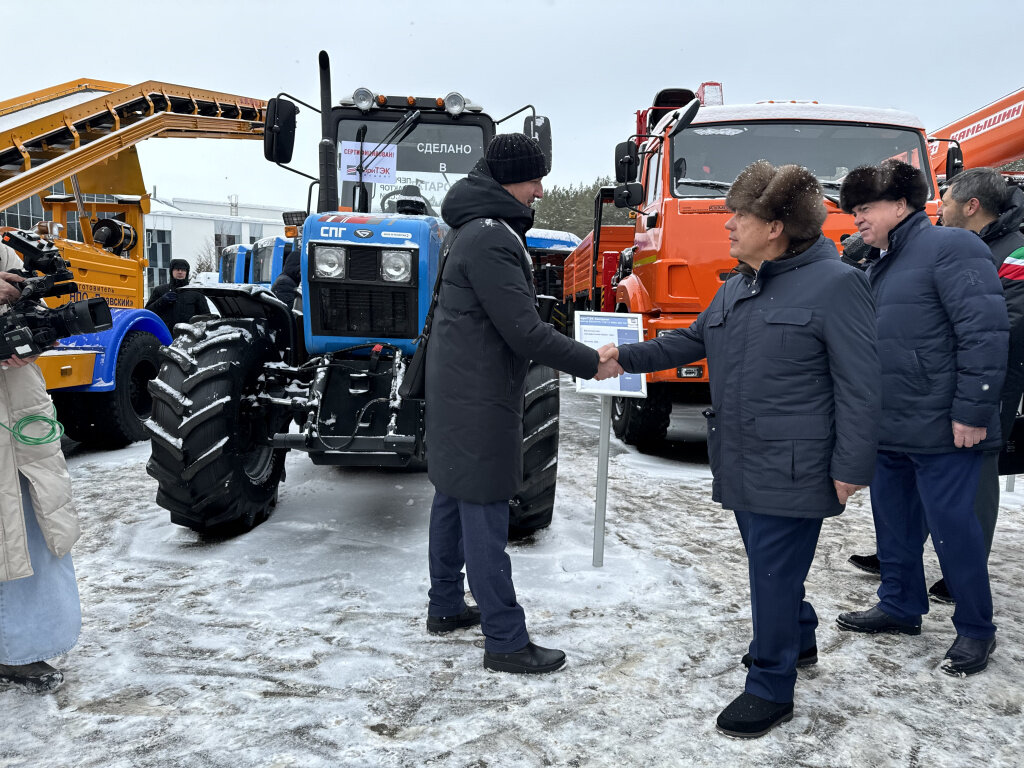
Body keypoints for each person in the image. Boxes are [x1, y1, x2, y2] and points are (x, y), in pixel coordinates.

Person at [600, 161, 880, 738]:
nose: (728, 225)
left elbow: (861, 384)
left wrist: (852, 466)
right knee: (771, 567)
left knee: (771, 576)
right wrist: (620, 356)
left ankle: (770, 686)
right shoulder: (738, 286)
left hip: (797, 464)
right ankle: (798, 634)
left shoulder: (836, 285)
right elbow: (688, 340)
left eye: (740, 215)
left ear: (775, 225)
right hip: (743, 457)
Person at [425, 133, 619, 675]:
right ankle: (505, 639)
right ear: (511, 179)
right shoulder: (492, 238)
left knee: (452, 496)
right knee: (484, 510)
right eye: (534, 179)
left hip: (457, 389)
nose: (539, 189)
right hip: (480, 396)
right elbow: (526, 332)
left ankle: (444, 606)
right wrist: (591, 360)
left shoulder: (471, 227)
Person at [834, 160, 1007, 677]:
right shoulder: (880, 260)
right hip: (890, 424)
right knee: (894, 525)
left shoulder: (953, 247)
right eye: (854, 210)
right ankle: (900, 605)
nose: (857, 218)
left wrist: (974, 409)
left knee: (956, 532)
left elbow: (985, 333)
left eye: (865, 208)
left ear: (900, 205)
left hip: (944, 428)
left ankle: (977, 630)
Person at [0, 241, 82, 693]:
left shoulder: (4, 251)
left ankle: (20, 650)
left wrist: (29, 341)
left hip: (16, 405)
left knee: (29, 524)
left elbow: (24, 321)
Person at [145, 258, 210, 329]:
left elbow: (206, 317)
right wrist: (162, 301)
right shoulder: (160, 290)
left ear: (187, 272)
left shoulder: (196, 292)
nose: (180, 272)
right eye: (177, 269)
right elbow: (148, 312)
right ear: (171, 271)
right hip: (165, 335)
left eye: (183, 270)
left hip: (188, 336)